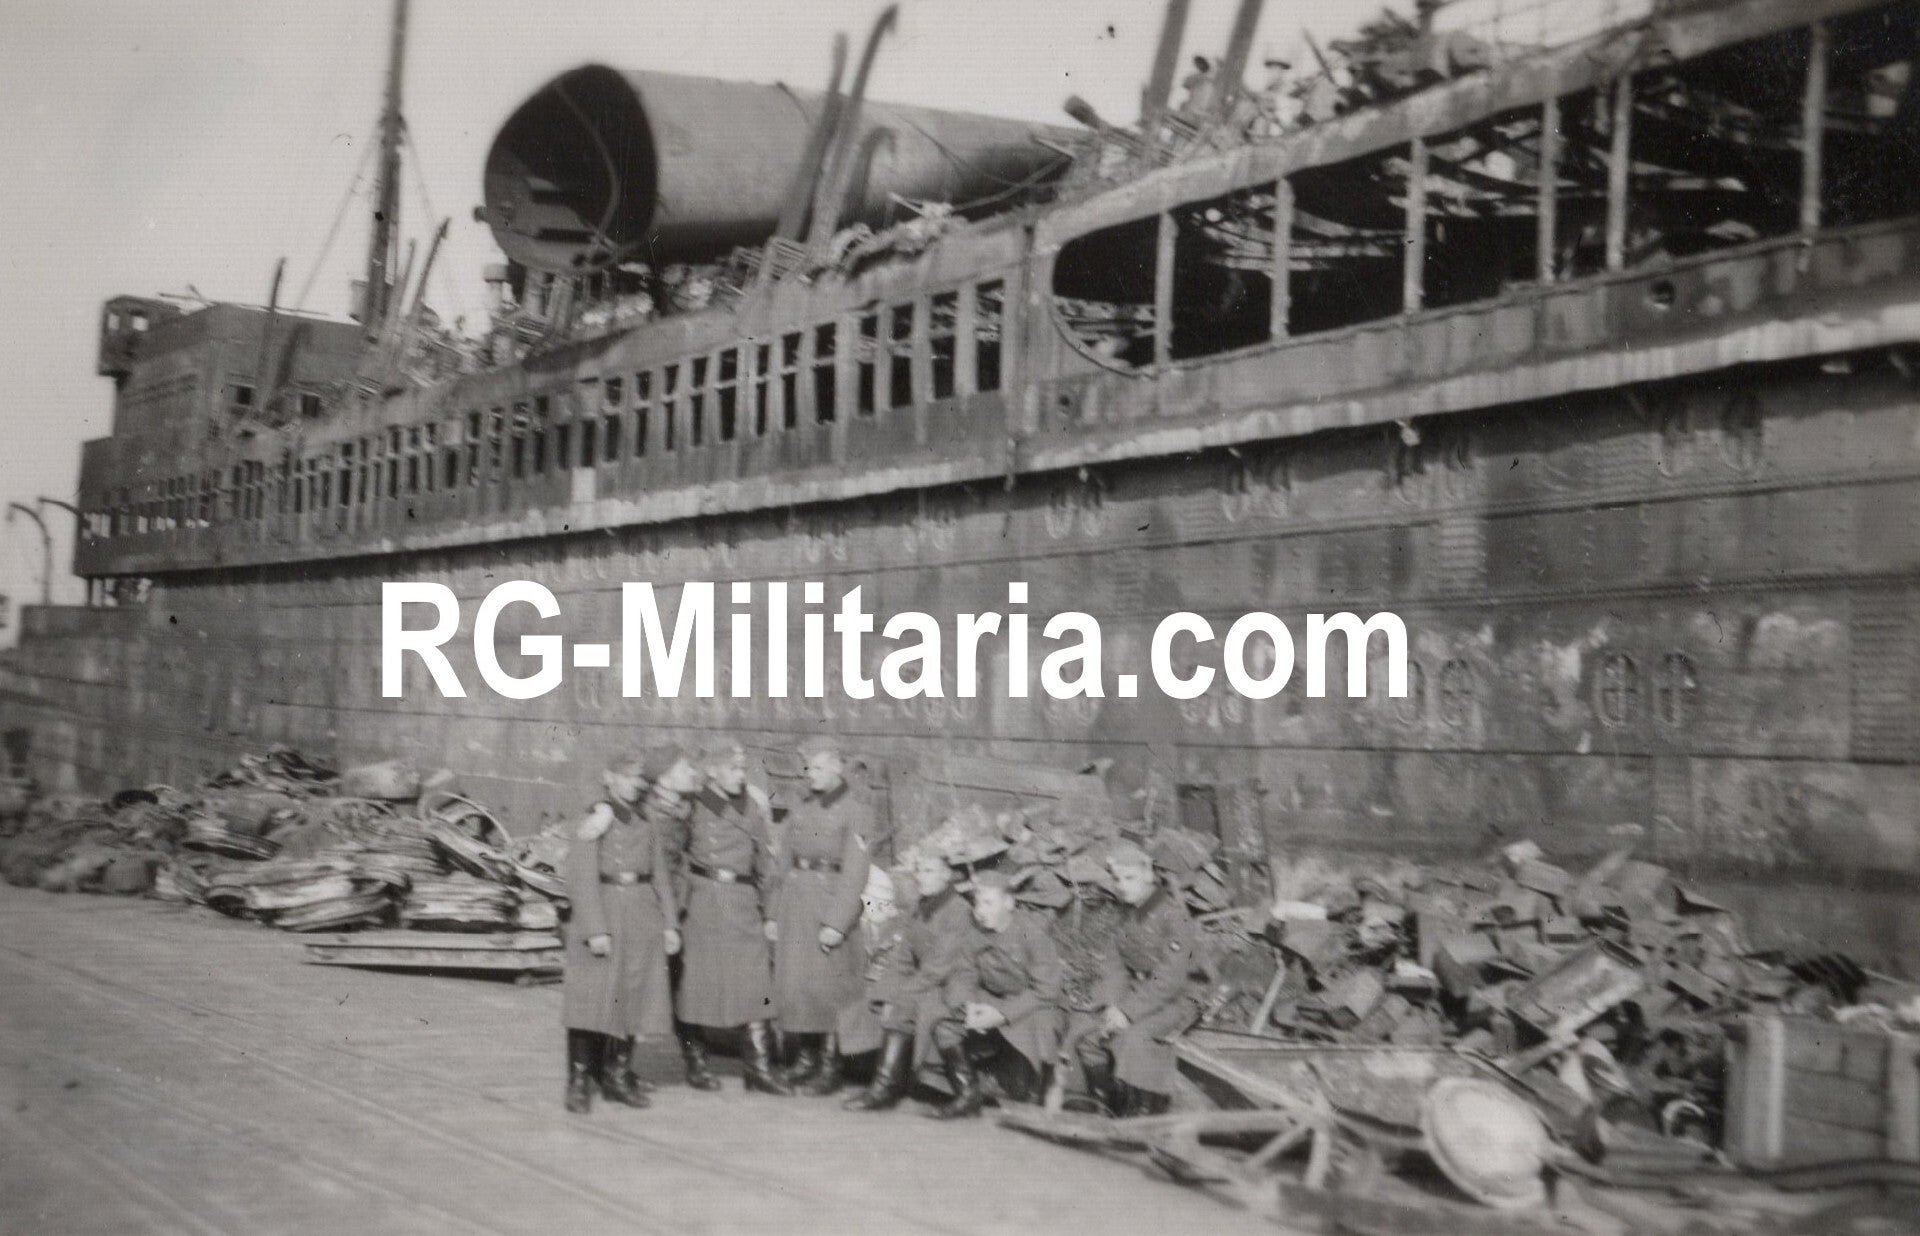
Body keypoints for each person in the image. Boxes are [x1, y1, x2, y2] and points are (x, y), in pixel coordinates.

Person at [561, 749, 684, 1114]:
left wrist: (670, 923)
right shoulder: (595, 817)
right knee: (590, 999)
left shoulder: (646, 819)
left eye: (639, 778)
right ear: (610, 779)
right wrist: (595, 928)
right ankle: (579, 1080)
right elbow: (581, 877)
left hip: (643, 915)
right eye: (627, 777)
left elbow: (660, 873)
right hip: (605, 911)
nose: (635, 784)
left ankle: (617, 1075)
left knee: (631, 997)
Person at [675, 741, 790, 1094]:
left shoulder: (753, 807)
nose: (741, 776)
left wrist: (770, 913)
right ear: (713, 771)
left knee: (755, 985)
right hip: (703, 903)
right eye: (734, 769)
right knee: (694, 987)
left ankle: (758, 1069)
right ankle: (696, 1064)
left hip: (742, 903)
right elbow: (669, 852)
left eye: (742, 769)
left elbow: (765, 865)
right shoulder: (691, 806)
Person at [1062, 843, 1208, 1117]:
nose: (1121, 886)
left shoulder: (1175, 917)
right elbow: (1115, 968)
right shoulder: (1126, 916)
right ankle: (1103, 1104)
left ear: (1148, 875)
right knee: (1090, 1034)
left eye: (1129, 878)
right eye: (1117, 879)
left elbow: (1171, 978)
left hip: (1182, 997)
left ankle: (1143, 1113)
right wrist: (1112, 1006)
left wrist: (1128, 1013)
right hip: (1143, 993)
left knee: (1136, 1037)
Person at [769, 736, 872, 1096]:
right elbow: (783, 857)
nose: (809, 774)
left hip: (828, 905)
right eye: (807, 767)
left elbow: (856, 871)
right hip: (795, 903)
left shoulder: (856, 809)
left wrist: (837, 923)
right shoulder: (802, 803)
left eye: (816, 767)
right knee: (799, 986)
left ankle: (831, 1066)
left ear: (837, 767)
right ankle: (806, 1060)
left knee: (830, 989)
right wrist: (772, 912)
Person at [925, 869, 1065, 1118]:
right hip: (989, 1000)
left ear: (1009, 902)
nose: (980, 910)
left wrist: (1001, 1014)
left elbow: (1047, 990)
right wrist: (967, 1006)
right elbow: (962, 974)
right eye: (977, 902)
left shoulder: (1032, 933)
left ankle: (1039, 1085)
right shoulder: (973, 931)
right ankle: (967, 1094)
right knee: (943, 1014)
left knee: (1023, 1083)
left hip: (1029, 1005)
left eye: (988, 902)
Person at [842, 846, 972, 1113]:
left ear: (947, 875)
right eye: (918, 871)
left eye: (929, 871)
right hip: (929, 981)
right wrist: (884, 991)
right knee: (869, 1002)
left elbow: (939, 966)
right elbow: (902, 958)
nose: (920, 877)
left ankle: (884, 1088)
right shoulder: (920, 907)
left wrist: (900, 995)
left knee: (904, 1007)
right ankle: (874, 1081)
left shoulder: (958, 910)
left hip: (955, 984)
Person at [836, 865, 908, 1082]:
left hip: (883, 990)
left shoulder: (899, 927)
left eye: (875, 903)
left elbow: (896, 966)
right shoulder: (857, 927)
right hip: (859, 987)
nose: (868, 910)